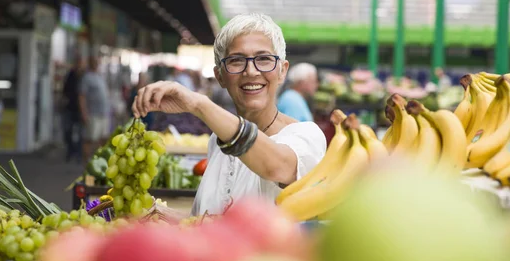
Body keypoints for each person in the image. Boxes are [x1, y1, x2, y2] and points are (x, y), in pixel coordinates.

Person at [132, 13, 326, 215]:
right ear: (220, 76)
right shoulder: (218, 141)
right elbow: (211, 224)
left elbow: (277, 168)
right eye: (236, 61)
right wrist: (159, 214)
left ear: (282, 71)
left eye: (264, 59)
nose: (251, 71)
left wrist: (199, 104)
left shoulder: (306, 136)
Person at [79, 56, 110, 161]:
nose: (97, 63)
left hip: (103, 113)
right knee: (90, 139)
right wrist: (84, 113)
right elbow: (81, 96)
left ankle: (98, 161)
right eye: (94, 61)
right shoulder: (87, 77)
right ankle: (86, 162)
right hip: (93, 114)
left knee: (102, 138)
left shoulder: (100, 76)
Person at [62, 57, 86, 163]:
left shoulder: (85, 76)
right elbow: (65, 89)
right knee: (68, 131)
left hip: (81, 109)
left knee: (81, 133)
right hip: (70, 108)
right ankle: (70, 151)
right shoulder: (71, 75)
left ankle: (78, 154)